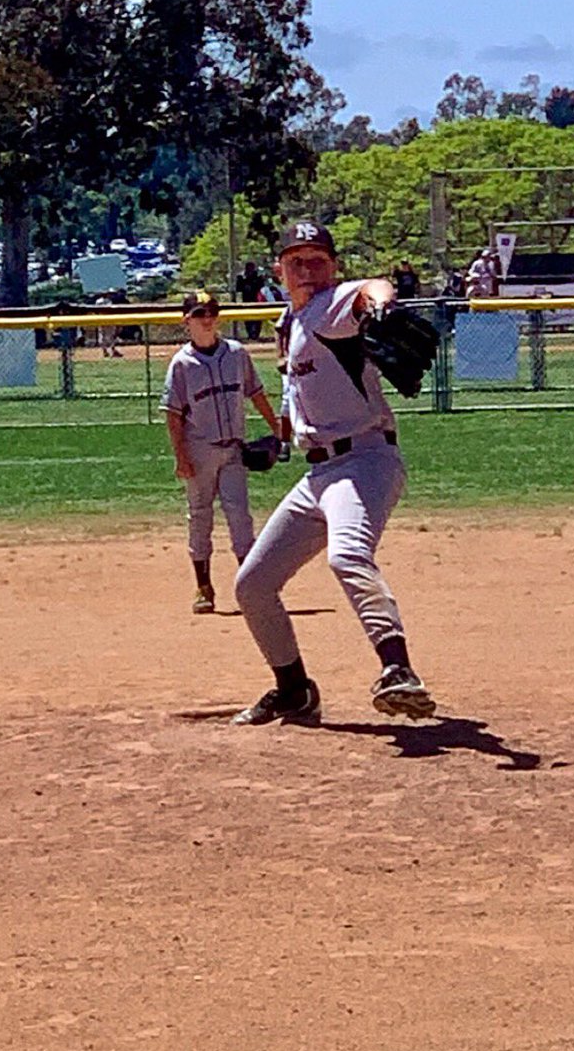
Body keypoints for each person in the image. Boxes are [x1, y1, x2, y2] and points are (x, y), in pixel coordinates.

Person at [232, 220, 436, 726]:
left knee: (347, 555)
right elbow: (296, 398)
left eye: (318, 260)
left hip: (364, 462)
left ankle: (399, 669)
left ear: (334, 267)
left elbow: (371, 290)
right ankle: (294, 690)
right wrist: (278, 443)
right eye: (296, 261)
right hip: (319, 474)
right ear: (278, 270)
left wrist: (383, 306)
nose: (307, 270)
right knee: (253, 585)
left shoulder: (334, 304)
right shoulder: (289, 323)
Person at [161, 292, 281, 615]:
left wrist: (277, 428)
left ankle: (250, 588)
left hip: (233, 450)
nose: (207, 319)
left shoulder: (236, 354)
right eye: (200, 314)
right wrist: (181, 457)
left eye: (212, 312)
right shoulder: (182, 364)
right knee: (200, 517)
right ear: (186, 320)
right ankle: (203, 586)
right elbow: (173, 415)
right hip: (199, 450)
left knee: (240, 516)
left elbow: (256, 393)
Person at [235, 260, 267, 341]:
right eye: (248, 268)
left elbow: (262, 288)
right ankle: (250, 335)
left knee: (258, 319)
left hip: (257, 301)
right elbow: (238, 289)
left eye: (251, 268)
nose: (250, 270)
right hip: (246, 300)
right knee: (248, 319)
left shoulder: (258, 277)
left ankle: (256, 335)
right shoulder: (241, 277)